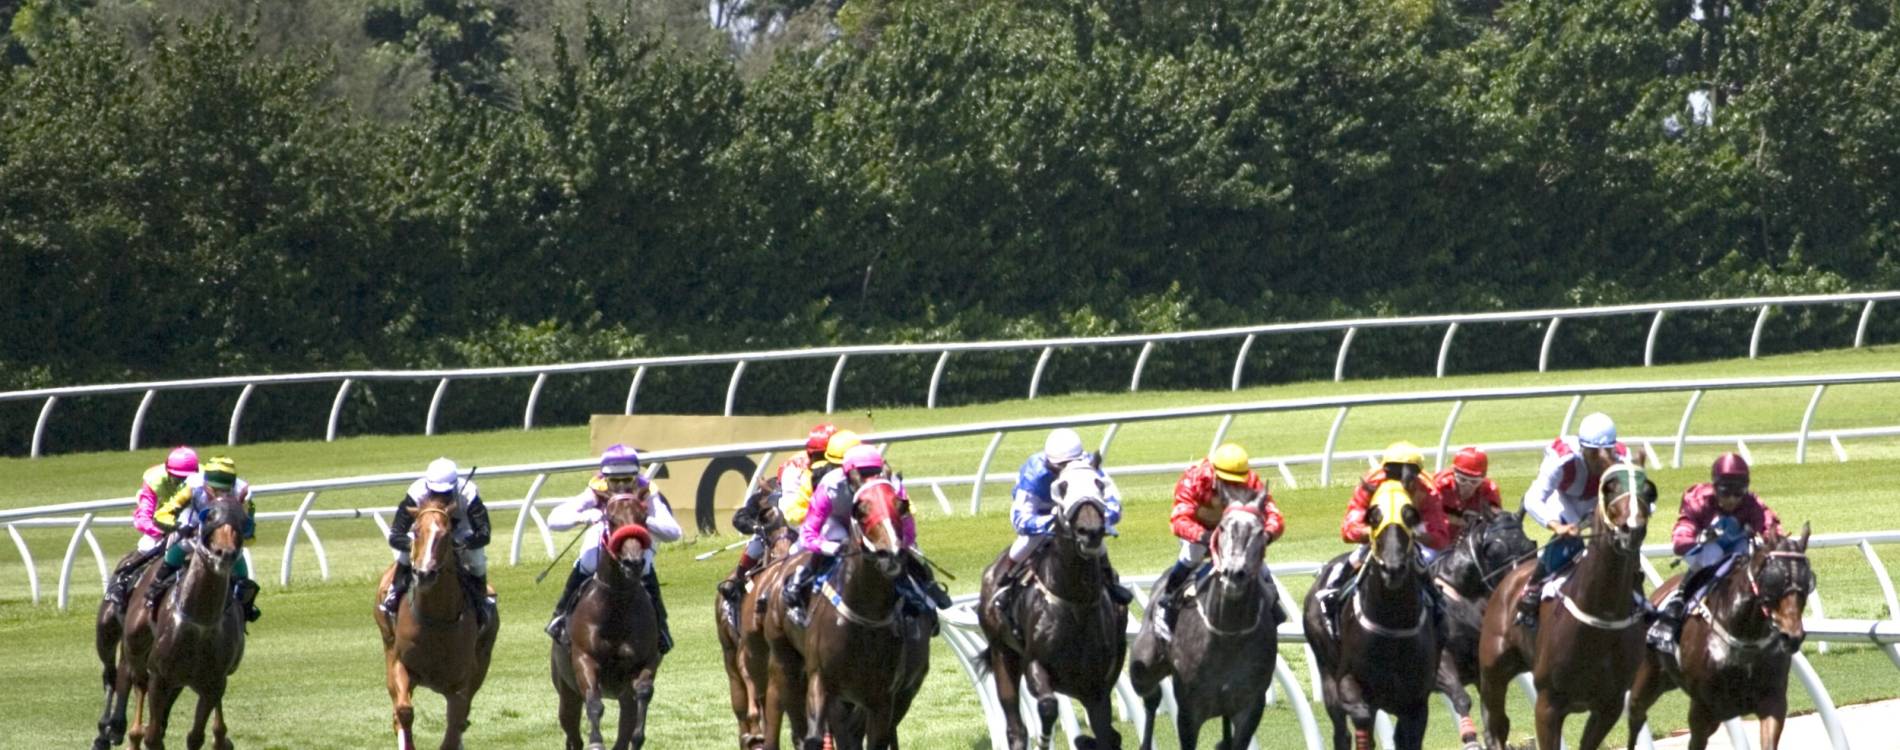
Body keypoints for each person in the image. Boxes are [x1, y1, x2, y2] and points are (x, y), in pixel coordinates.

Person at [783, 444, 951, 627]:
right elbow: (808, 534)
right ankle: (797, 585)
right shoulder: (830, 485)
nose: (869, 480)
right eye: (863, 474)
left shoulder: (892, 485)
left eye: (874, 473)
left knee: (907, 547)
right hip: (839, 521)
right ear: (848, 474)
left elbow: (908, 529)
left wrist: (900, 545)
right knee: (836, 536)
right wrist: (831, 547)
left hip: (873, 524)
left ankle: (927, 587)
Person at [543, 444, 683, 649]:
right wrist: (584, 516)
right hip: (606, 537)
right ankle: (560, 615)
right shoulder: (596, 491)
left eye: (627, 480)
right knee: (588, 561)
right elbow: (553, 520)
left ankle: (661, 626)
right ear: (605, 479)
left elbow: (674, 532)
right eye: (615, 481)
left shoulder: (647, 491)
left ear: (636, 477)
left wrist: (641, 519)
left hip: (636, 539)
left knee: (644, 566)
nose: (621, 487)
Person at [1646, 453, 1783, 655]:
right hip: (1703, 548)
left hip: (1736, 548)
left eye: (1738, 493)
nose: (1732, 500)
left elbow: (1771, 527)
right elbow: (1680, 537)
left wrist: (1776, 542)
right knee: (1714, 553)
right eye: (1726, 493)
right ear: (1715, 487)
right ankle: (1675, 607)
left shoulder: (1751, 503)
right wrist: (1697, 538)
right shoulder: (1698, 499)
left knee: (1744, 558)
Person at [1312, 441, 1453, 637]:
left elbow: (1441, 537)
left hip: (1411, 540)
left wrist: (1413, 533)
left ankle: (1438, 606)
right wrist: (1376, 532)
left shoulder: (1427, 491)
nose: (1399, 479)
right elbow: (1348, 529)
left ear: (1417, 475)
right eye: (1393, 472)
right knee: (1357, 556)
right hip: (1376, 539)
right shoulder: (1371, 484)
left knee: (1428, 561)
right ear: (1384, 470)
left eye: (1406, 473)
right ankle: (1332, 592)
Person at [1150, 443, 1286, 638]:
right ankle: (1167, 602)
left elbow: (1274, 516)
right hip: (1200, 532)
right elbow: (1179, 520)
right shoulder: (1193, 480)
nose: (1233, 486)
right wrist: (1203, 536)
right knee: (1192, 555)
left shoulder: (1251, 482)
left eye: (1237, 482)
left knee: (1258, 564)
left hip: (1235, 533)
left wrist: (1266, 535)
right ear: (1214, 473)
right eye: (1227, 481)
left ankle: (1273, 606)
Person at [990, 428, 1135, 611]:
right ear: (1051, 465)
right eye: (1063, 465)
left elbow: (1114, 505)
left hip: (1076, 516)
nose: (1070, 469)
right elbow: (1020, 520)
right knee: (1026, 543)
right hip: (1042, 515)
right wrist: (1052, 522)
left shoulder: (1088, 466)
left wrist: (1097, 520)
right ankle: (1005, 584)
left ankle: (1110, 583)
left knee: (1097, 545)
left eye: (1074, 462)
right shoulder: (1034, 474)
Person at [1514, 412, 1632, 627]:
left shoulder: (1623, 458)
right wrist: (1556, 526)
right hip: (1562, 500)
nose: (1601, 459)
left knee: (1623, 544)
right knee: (1570, 543)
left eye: (1607, 451)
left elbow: (1639, 501)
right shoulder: (1562, 458)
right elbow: (1533, 499)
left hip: (1598, 503)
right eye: (1594, 453)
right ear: (1582, 448)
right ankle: (1533, 587)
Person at [720, 423, 837, 606]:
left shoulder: (821, 473)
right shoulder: (766, 494)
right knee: (756, 545)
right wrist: (757, 527)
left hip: (807, 526)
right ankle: (738, 580)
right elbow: (739, 518)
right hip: (777, 535)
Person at [143, 455, 261, 622]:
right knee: (179, 549)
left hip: (223, 532)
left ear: (233, 485)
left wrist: (239, 537)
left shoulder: (243, 493)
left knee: (241, 569)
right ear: (205, 483)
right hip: (193, 527)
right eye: (215, 489)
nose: (220, 495)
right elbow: (163, 513)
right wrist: (177, 526)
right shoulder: (193, 486)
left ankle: (245, 607)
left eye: (225, 490)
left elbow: (250, 530)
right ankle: (154, 589)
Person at [380, 458, 493, 624]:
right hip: (425, 537)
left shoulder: (468, 493)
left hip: (460, 535)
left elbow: (484, 532)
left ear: (455, 485)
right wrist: (420, 546)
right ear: (427, 486)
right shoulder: (416, 492)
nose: (441, 497)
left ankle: (481, 599)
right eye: (435, 492)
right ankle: (395, 592)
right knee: (406, 550)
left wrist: (462, 544)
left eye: (446, 493)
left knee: (476, 555)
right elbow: (396, 535)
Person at [104, 446, 198, 611]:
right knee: (147, 546)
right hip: (161, 525)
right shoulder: (155, 480)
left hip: (191, 527)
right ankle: (120, 583)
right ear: (168, 473)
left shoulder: (204, 480)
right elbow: (143, 518)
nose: (183, 483)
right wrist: (161, 531)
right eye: (178, 479)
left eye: (187, 478)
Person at [1433, 446, 1504, 543]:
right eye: (1462, 480)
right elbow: (1425, 515)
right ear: (1453, 473)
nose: (1467, 487)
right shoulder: (1439, 485)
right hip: (1438, 539)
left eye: (1474, 482)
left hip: (1471, 541)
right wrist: (1462, 521)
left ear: (1483, 479)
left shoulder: (1489, 490)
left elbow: (1496, 522)